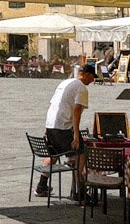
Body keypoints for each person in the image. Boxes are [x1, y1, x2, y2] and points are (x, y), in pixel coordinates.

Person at [35, 63, 95, 197]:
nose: (93, 81)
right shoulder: (81, 88)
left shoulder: (64, 82)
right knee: (81, 153)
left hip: (51, 125)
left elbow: (52, 104)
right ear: (86, 74)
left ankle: (41, 185)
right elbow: (77, 111)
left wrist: (46, 127)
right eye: (92, 77)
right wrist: (76, 136)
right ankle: (79, 190)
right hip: (63, 126)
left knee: (54, 154)